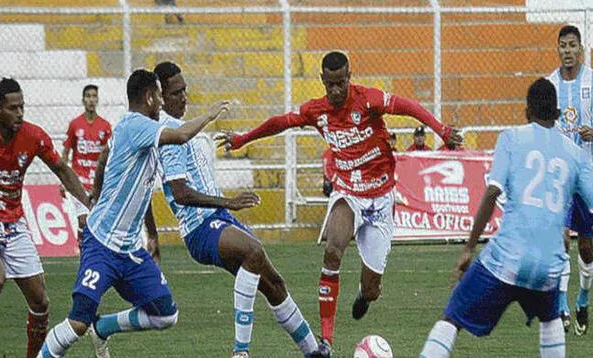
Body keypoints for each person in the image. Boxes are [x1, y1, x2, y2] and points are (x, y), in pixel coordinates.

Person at [217, 51, 463, 346]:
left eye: (341, 84)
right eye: (330, 84)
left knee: (372, 289)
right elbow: (280, 122)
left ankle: (364, 293)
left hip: (381, 198)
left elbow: (408, 107)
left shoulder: (369, 99)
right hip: (348, 193)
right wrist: (243, 138)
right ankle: (326, 342)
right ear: (322, 80)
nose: (335, 91)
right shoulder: (316, 110)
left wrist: (443, 131)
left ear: (349, 78)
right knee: (333, 250)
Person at [418, 78, 593, 358]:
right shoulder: (574, 155)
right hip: (548, 268)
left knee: (451, 318)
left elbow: (492, 193)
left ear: (527, 111)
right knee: (550, 320)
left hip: (506, 259)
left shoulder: (512, 138)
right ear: (558, 112)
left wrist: (468, 249)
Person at [38, 69, 230, 358]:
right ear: (150, 96)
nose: (162, 103)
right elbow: (180, 135)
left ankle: (103, 327)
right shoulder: (138, 124)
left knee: (166, 315)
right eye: (159, 97)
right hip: (102, 245)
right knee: (77, 322)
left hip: (129, 250)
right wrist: (210, 115)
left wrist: (104, 200)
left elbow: (105, 160)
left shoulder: (131, 129)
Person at [147, 61, 330, 358]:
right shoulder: (169, 134)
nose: (184, 97)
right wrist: (228, 202)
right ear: (160, 97)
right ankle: (240, 353)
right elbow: (180, 194)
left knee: (274, 283)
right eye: (176, 93)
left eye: (185, 90)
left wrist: (225, 208)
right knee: (253, 253)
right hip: (199, 228)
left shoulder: (183, 129)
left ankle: (315, 352)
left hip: (218, 219)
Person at [0, 78, 90, 358]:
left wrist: (87, 205)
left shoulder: (33, 136)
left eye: (22, 106)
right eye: (13, 108)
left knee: (40, 302)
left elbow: (61, 169)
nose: (20, 113)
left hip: (14, 222)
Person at [547, 25, 593, 335]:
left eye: (572, 45)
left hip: (587, 179)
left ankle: (583, 298)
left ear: (581, 49)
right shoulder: (549, 85)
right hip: (559, 179)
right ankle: (561, 305)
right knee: (561, 239)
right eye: (562, 45)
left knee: (585, 246)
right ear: (558, 49)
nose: (567, 50)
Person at [61, 84, 112, 240]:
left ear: (97, 99)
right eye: (88, 96)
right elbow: (66, 152)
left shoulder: (105, 126)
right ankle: (84, 257)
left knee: (98, 223)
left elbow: (109, 155)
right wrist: (63, 180)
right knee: (83, 221)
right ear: (83, 100)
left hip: (97, 182)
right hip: (80, 182)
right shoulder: (75, 124)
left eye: (94, 96)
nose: (91, 100)